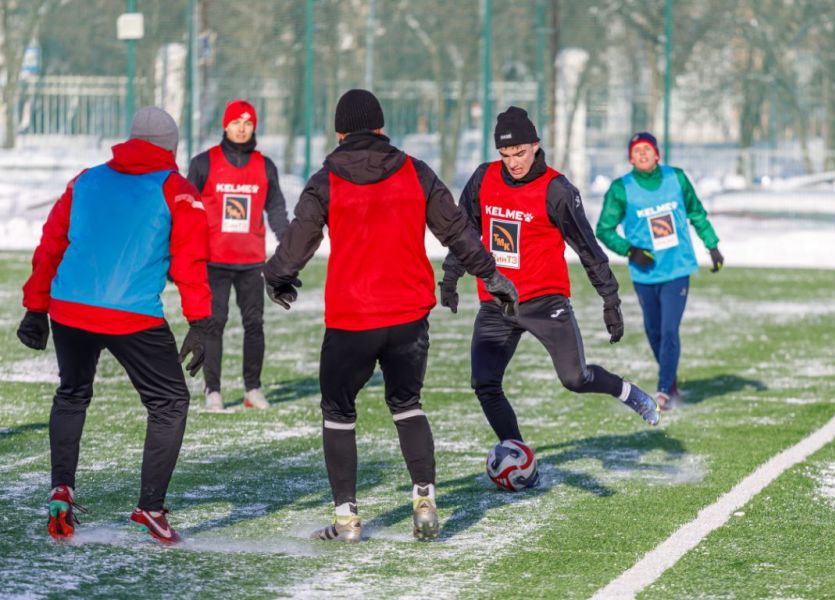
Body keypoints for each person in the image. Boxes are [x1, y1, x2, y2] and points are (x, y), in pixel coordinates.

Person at [263, 89, 517, 542]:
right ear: (381, 128)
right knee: (407, 406)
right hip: (408, 317)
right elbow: (456, 229)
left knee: (339, 412)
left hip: (352, 318)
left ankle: (347, 520)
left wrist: (279, 276)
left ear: (340, 132)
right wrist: (491, 275)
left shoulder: (326, 179)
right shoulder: (415, 171)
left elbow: (300, 237)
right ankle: (424, 501)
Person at [17, 107, 212, 544]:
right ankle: (151, 507)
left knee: (72, 393)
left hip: (69, 308)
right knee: (169, 402)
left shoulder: (86, 179)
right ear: (171, 147)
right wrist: (201, 323)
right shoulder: (176, 188)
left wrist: (35, 307)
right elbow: (191, 260)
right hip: (132, 313)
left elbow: (51, 242)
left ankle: (61, 490)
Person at [440, 106, 660, 473]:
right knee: (485, 383)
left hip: (545, 302)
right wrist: (450, 275)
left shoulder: (556, 190)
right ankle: (519, 457)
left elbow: (587, 248)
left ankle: (627, 392)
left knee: (575, 378)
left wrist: (610, 299)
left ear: (536, 146)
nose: (513, 162)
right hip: (497, 302)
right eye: (506, 155)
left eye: (520, 153)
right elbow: (466, 234)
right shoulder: (483, 178)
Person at [596, 132, 723, 410]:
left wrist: (712, 246)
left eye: (647, 149)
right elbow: (603, 229)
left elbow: (697, 213)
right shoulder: (621, 188)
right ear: (630, 158)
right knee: (653, 330)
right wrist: (630, 250)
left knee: (669, 329)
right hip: (644, 272)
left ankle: (665, 388)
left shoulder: (676, 178)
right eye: (636, 151)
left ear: (657, 155)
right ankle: (671, 377)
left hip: (677, 268)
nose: (642, 154)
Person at [187, 99, 289, 411]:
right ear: (225, 125)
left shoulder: (265, 166)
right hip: (214, 261)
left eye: (247, 123)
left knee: (254, 325)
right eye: (236, 122)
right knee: (214, 324)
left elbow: (276, 210)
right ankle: (213, 391)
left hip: (251, 263)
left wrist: (288, 246)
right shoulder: (203, 163)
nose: (241, 128)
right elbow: (187, 211)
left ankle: (253, 388)